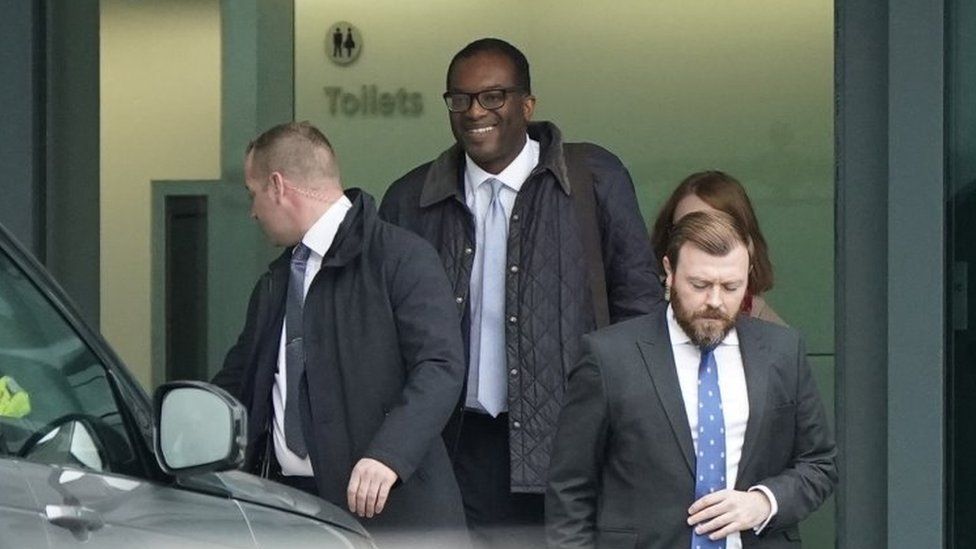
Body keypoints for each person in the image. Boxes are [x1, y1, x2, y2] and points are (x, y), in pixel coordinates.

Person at [379, 37, 663, 546]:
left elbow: (638, 308)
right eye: (459, 99)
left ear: (526, 105)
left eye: (493, 97)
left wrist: (637, 428)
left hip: (567, 442)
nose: (474, 112)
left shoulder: (593, 178)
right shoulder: (410, 198)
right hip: (450, 446)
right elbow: (381, 334)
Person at [212, 121, 467, 540]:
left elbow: (440, 366)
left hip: (391, 516)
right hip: (285, 511)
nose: (253, 211)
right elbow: (236, 385)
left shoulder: (401, 258)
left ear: (277, 186)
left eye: (253, 193)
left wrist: (388, 456)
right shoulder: (276, 282)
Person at [546, 211, 836, 548]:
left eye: (731, 287)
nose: (714, 301)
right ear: (668, 272)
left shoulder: (782, 351)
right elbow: (570, 488)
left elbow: (820, 463)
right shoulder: (608, 356)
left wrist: (763, 502)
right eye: (699, 285)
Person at [651, 170, 785, 325]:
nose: (705, 241)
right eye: (686, 230)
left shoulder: (772, 334)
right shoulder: (639, 304)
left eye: (718, 230)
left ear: (746, 244)